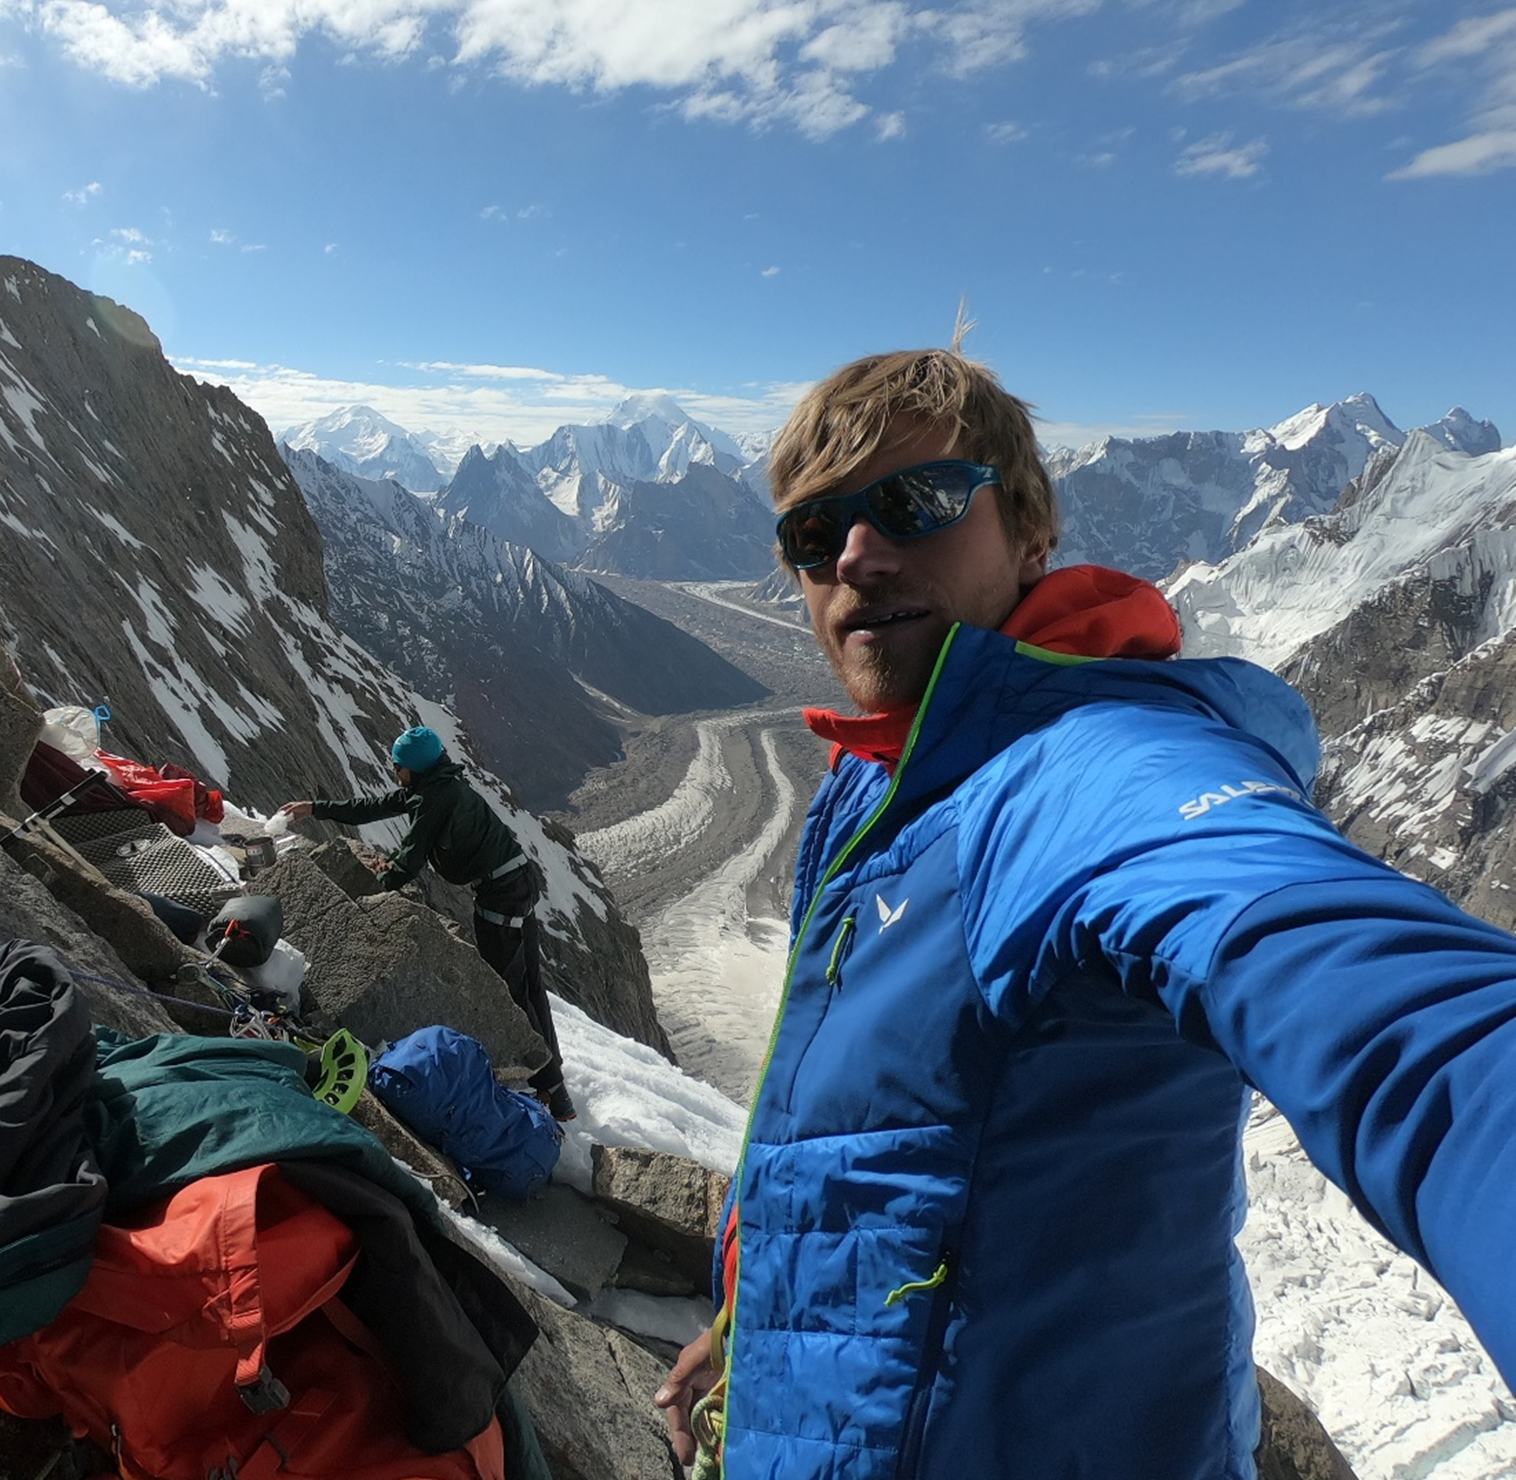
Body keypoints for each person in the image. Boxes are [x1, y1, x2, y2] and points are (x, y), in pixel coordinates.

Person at [652, 348, 1516, 1479]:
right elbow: (860, 1135)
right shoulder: (886, 770)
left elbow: (1403, 1017)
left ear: (1028, 533)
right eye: (813, 536)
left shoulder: (1086, 769)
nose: (856, 554)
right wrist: (757, 1322)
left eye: (910, 504)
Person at [280, 725, 575, 1121]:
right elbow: (378, 806)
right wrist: (317, 808)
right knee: (529, 984)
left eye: (399, 767)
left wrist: (371, 887)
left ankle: (552, 1093)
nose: (395, 773)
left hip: (500, 895)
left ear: (415, 768)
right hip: (517, 880)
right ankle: (555, 1085)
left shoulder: (436, 797)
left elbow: (410, 858)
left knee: (508, 991)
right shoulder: (439, 784)